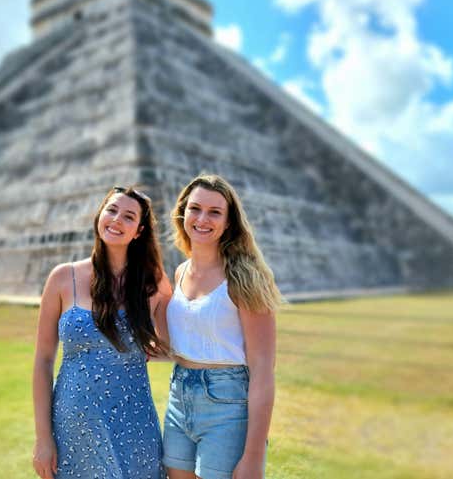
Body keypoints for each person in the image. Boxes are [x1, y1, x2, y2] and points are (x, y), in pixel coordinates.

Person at [32, 186, 171, 479]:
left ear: (139, 231)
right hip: (74, 425)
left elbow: (171, 345)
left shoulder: (154, 283)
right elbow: (43, 360)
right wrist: (43, 439)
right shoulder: (62, 277)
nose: (117, 220)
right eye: (111, 210)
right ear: (99, 216)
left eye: (129, 216)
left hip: (135, 424)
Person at [162, 174, 280, 479]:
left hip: (227, 405)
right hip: (179, 397)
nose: (203, 219)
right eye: (195, 208)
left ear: (229, 222)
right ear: (183, 213)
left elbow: (263, 368)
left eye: (215, 212)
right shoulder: (179, 272)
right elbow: (191, 337)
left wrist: (254, 455)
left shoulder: (246, 277)